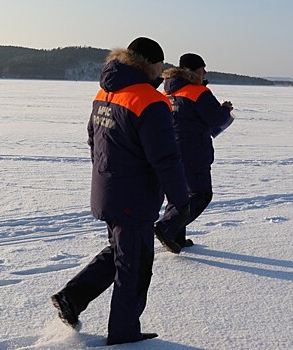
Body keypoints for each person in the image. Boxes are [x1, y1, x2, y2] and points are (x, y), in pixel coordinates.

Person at [51, 37, 190, 346]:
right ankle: (124, 333)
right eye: (160, 65)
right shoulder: (149, 100)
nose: (161, 71)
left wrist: (105, 174)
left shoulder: (106, 90)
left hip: (108, 190)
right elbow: (165, 158)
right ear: (151, 64)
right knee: (135, 265)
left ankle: (72, 298)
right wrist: (181, 200)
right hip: (133, 198)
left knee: (121, 252)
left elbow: (93, 138)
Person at [153, 53, 233, 254]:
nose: (205, 72)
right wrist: (225, 110)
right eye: (202, 68)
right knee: (201, 194)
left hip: (169, 150)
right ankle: (167, 227)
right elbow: (216, 120)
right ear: (192, 71)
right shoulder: (198, 92)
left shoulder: (166, 92)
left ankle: (177, 235)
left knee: (179, 195)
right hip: (193, 152)